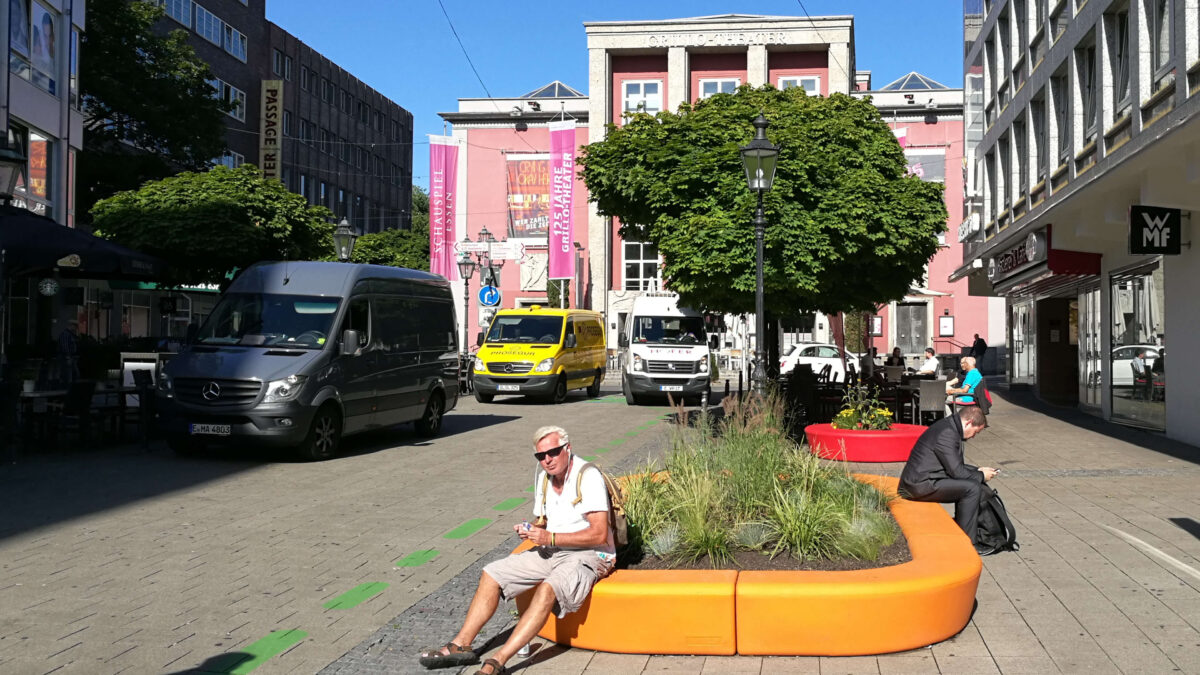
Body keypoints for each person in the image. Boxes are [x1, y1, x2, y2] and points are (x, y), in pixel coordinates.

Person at [418, 425, 613, 674]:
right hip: (552, 548)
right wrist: (530, 529)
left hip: (589, 554)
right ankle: (461, 646)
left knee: (547, 589)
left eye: (552, 452)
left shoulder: (587, 476)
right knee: (492, 573)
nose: (547, 460)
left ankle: (496, 662)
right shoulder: (543, 477)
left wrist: (549, 537)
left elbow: (599, 533)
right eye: (540, 456)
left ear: (568, 448)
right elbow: (543, 520)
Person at [899, 406, 1000, 555]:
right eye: (975, 431)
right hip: (919, 485)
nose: (973, 436)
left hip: (925, 480)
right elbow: (957, 472)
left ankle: (962, 530)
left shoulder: (949, 426)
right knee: (971, 489)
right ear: (969, 422)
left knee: (970, 485)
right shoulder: (947, 433)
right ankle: (968, 543)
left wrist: (977, 470)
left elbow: (953, 465)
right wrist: (981, 476)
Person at [56, 319, 80, 384]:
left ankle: (68, 384)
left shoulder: (70, 334)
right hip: (66, 357)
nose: (76, 328)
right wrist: (68, 356)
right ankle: (67, 385)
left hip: (69, 356)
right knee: (68, 372)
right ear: (72, 326)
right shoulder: (66, 334)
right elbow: (65, 347)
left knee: (71, 372)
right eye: (75, 327)